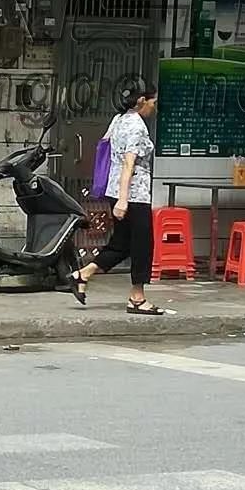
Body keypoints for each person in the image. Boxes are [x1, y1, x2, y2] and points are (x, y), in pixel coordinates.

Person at [70, 79, 163, 315]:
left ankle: (83, 274)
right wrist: (123, 200)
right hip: (133, 195)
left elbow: (108, 149)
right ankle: (137, 297)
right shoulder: (136, 126)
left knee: (121, 244)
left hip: (116, 190)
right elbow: (128, 164)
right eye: (153, 102)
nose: (154, 107)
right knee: (142, 245)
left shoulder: (118, 119)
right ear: (142, 101)